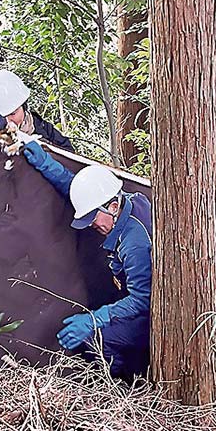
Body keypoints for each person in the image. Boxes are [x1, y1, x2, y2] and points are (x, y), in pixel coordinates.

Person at [21, 142, 151, 379]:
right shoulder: (121, 202)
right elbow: (79, 191)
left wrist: (94, 320)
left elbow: (143, 300)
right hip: (133, 296)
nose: (92, 224)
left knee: (97, 341)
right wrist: (45, 163)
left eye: (93, 217)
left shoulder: (136, 243)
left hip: (153, 317)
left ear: (113, 207)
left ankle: (124, 387)